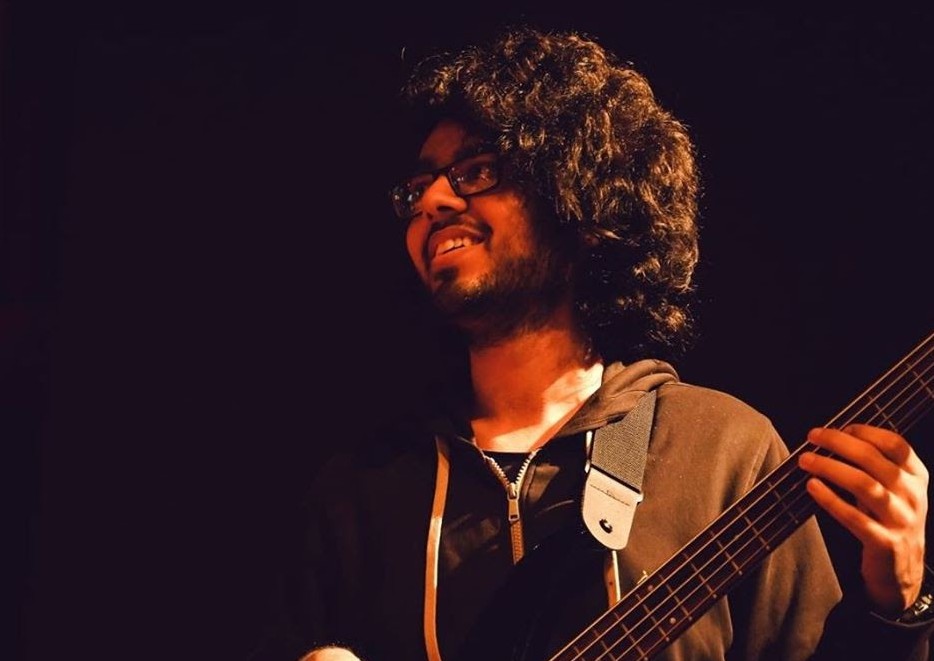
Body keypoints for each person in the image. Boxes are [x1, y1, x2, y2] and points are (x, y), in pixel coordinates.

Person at [253, 25, 932, 661]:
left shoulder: (726, 449)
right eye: (416, 188)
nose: (432, 200)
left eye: (476, 171)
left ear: (578, 200)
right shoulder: (360, 493)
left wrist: (901, 606)